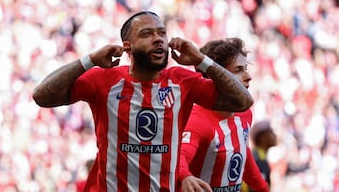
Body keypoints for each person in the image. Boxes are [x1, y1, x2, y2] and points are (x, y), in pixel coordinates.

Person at [32, 11, 253, 191]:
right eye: (146, 34)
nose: (158, 38)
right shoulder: (104, 80)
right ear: (127, 46)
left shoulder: (182, 81)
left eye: (162, 33)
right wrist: (88, 61)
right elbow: (42, 95)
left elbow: (242, 102)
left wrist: (201, 60)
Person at [179, 38, 269, 192]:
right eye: (238, 70)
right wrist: (185, 176)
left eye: (246, 68)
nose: (248, 76)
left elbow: (242, 153)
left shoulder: (244, 113)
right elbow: (179, 159)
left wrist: (262, 188)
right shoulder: (197, 121)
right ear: (218, 76)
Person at [247, 120, 277, 191]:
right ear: (262, 138)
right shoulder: (259, 160)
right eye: (271, 133)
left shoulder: (256, 155)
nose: (275, 136)